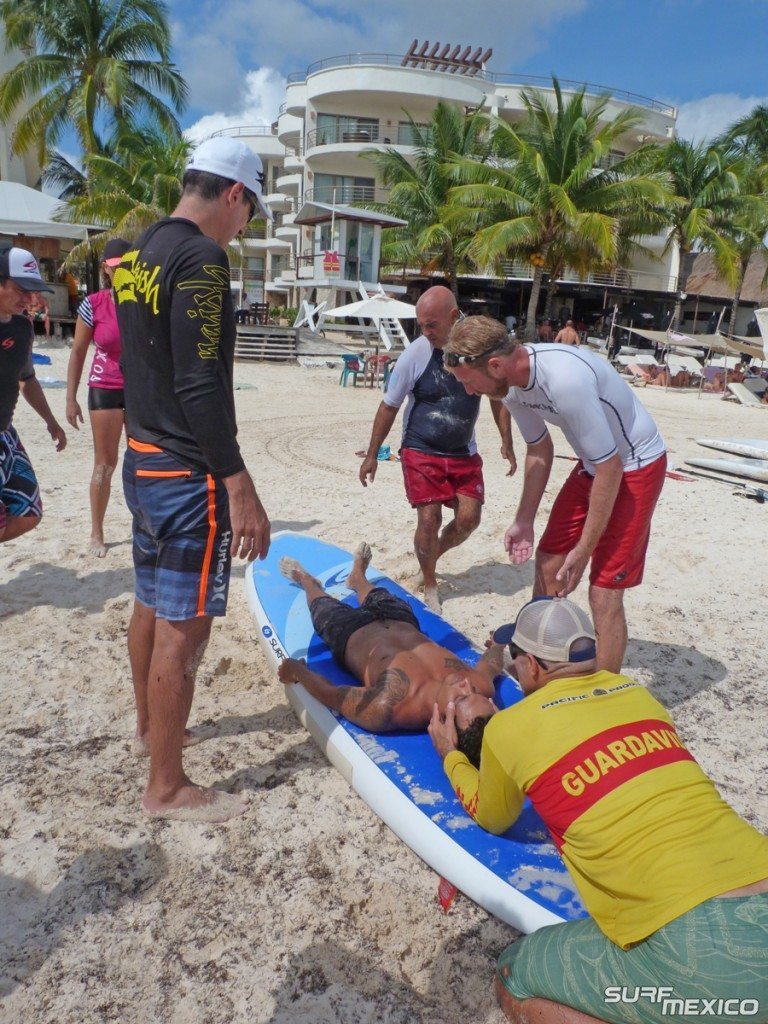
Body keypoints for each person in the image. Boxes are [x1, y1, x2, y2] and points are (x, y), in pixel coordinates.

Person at [428, 595, 768, 1024]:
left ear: (531, 665)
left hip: (705, 956)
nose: (513, 668)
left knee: (514, 976)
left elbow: (493, 816)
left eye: (515, 659)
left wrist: (450, 755)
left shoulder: (508, 727)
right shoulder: (639, 695)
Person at [113, 136, 273, 822]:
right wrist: (239, 484)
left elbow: (140, 360)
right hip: (186, 471)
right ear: (234, 194)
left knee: (149, 602)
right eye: (250, 213)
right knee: (186, 631)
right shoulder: (203, 260)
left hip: (142, 457)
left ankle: (152, 732)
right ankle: (167, 787)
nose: (245, 229)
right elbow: (199, 383)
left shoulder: (138, 251)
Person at [443, 315, 666, 673]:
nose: (469, 392)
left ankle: (603, 695)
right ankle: (538, 660)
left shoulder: (564, 379)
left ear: (496, 365)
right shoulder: (510, 387)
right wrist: (524, 520)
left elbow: (612, 468)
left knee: (603, 591)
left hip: (636, 464)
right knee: (548, 560)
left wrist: (585, 548)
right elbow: (538, 449)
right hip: (595, 462)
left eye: (469, 383)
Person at [359, 285, 515, 613]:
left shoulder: (476, 350)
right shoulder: (415, 355)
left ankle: (429, 558)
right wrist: (373, 454)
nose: (425, 332)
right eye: (421, 325)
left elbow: (497, 397)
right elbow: (389, 406)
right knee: (428, 519)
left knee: (469, 520)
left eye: (432, 325)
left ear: (454, 317)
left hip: (463, 452)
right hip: (421, 450)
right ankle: (430, 583)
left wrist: (507, 441)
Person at [277, 542, 500, 735]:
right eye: (477, 694)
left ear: (445, 724)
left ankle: (306, 581)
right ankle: (358, 578)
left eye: (462, 697)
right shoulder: (479, 686)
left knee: (321, 606)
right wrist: (498, 643)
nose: (466, 684)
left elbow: (332, 695)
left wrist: (297, 671)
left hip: (349, 633)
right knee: (378, 594)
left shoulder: (386, 708)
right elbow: (491, 664)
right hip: (399, 619)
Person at [65, 238, 132, 557]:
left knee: (145, 459)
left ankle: (146, 526)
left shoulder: (142, 302)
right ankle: (96, 532)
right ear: (106, 269)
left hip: (138, 389)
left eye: (126, 267)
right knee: (106, 464)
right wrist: (70, 397)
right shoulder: (93, 303)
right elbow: (78, 352)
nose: (120, 273)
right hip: (104, 386)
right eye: (116, 267)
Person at [0, 246, 67, 544]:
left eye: (33, 291)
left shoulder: (23, 326)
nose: (29, 299)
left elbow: (27, 379)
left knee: (28, 511)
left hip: (5, 433)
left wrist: (51, 422)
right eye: (20, 289)